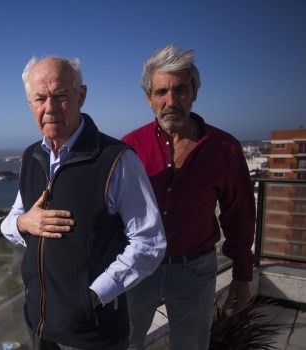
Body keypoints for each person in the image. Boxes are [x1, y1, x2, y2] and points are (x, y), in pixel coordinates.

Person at [0, 56, 166, 350]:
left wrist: (92, 296)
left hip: (92, 333)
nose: (49, 108)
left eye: (60, 95)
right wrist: (23, 222)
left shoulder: (116, 160)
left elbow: (149, 243)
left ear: (81, 96)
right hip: (39, 324)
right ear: (30, 104)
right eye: (40, 98)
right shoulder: (30, 158)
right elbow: (13, 219)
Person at [122, 45, 256, 350]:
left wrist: (242, 275)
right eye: (161, 92)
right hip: (139, 268)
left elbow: (240, 215)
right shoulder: (130, 148)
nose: (171, 101)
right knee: (124, 343)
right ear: (149, 99)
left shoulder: (225, 149)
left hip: (194, 272)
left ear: (194, 92)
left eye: (180, 89)